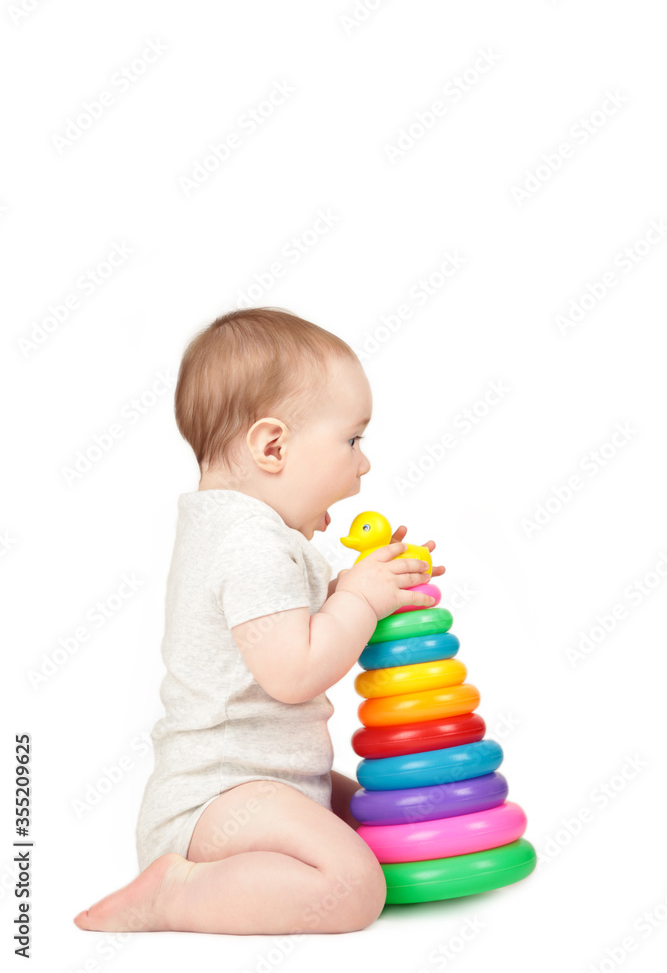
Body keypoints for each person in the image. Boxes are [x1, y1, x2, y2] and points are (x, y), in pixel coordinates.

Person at [73, 306, 444, 936]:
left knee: (394, 823)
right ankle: (173, 895)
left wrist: (364, 588)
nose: (365, 462)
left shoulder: (245, 534)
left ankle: (243, 879)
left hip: (267, 786)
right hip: (215, 803)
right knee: (353, 889)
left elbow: (287, 630)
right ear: (272, 446)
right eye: (352, 440)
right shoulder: (249, 546)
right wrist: (358, 600)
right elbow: (293, 671)